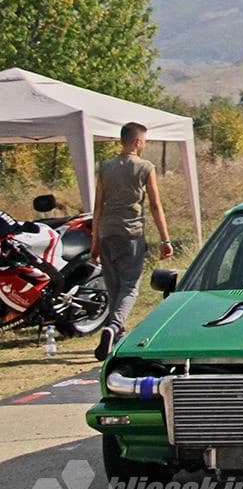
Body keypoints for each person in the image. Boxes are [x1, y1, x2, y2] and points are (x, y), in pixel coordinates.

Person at [91, 122, 174, 361]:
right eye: (144, 141)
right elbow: (155, 205)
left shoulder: (105, 167)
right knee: (130, 286)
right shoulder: (145, 167)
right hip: (132, 234)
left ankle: (115, 334)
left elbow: (98, 206)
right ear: (137, 142)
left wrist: (95, 240)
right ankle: (114, 327)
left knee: (114, 286)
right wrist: (165, 238)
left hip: (107, 232)